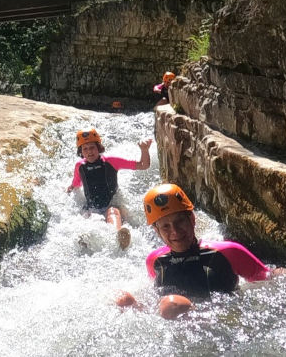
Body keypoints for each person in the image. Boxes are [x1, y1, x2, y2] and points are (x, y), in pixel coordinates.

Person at [117, 183, 272, 319]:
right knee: (124, 299)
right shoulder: (155, 260)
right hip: (174, 330)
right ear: (157, 231)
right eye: (166, 226)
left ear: (192, 219)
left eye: (180, 221)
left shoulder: (228, 252)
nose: (175, 232)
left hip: (220, 323)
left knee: (171, 305)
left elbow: (272, 280)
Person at [66, 128, 152, 249]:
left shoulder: (111, 161)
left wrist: (144, 150)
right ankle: (87, 242)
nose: (89, 152)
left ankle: (119, 236)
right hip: (92, 208)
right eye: (85, 149)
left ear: (98, 147)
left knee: (113, 212)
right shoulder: (80, 166)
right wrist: (69, 189)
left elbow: (143, 165)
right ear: (81, 151)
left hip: (112, 204)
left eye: (92, 147)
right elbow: (76, 183)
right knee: (91, 218)